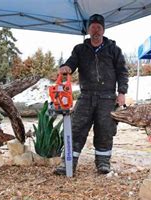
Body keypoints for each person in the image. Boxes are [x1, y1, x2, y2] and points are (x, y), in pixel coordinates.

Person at [54, 14, 129, 175]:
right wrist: (66, 67)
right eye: (93, 27)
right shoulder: (80, 49)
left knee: (105, 130)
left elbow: (123, 72)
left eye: (99, 27)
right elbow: (71, 63)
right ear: (88, 30)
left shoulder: (114, 50)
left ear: (103, 30)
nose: (96, 30)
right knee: (76, 129)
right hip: (86, 96)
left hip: (108, 97)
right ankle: (68, 163)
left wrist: (122, 92)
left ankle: (103, 162)